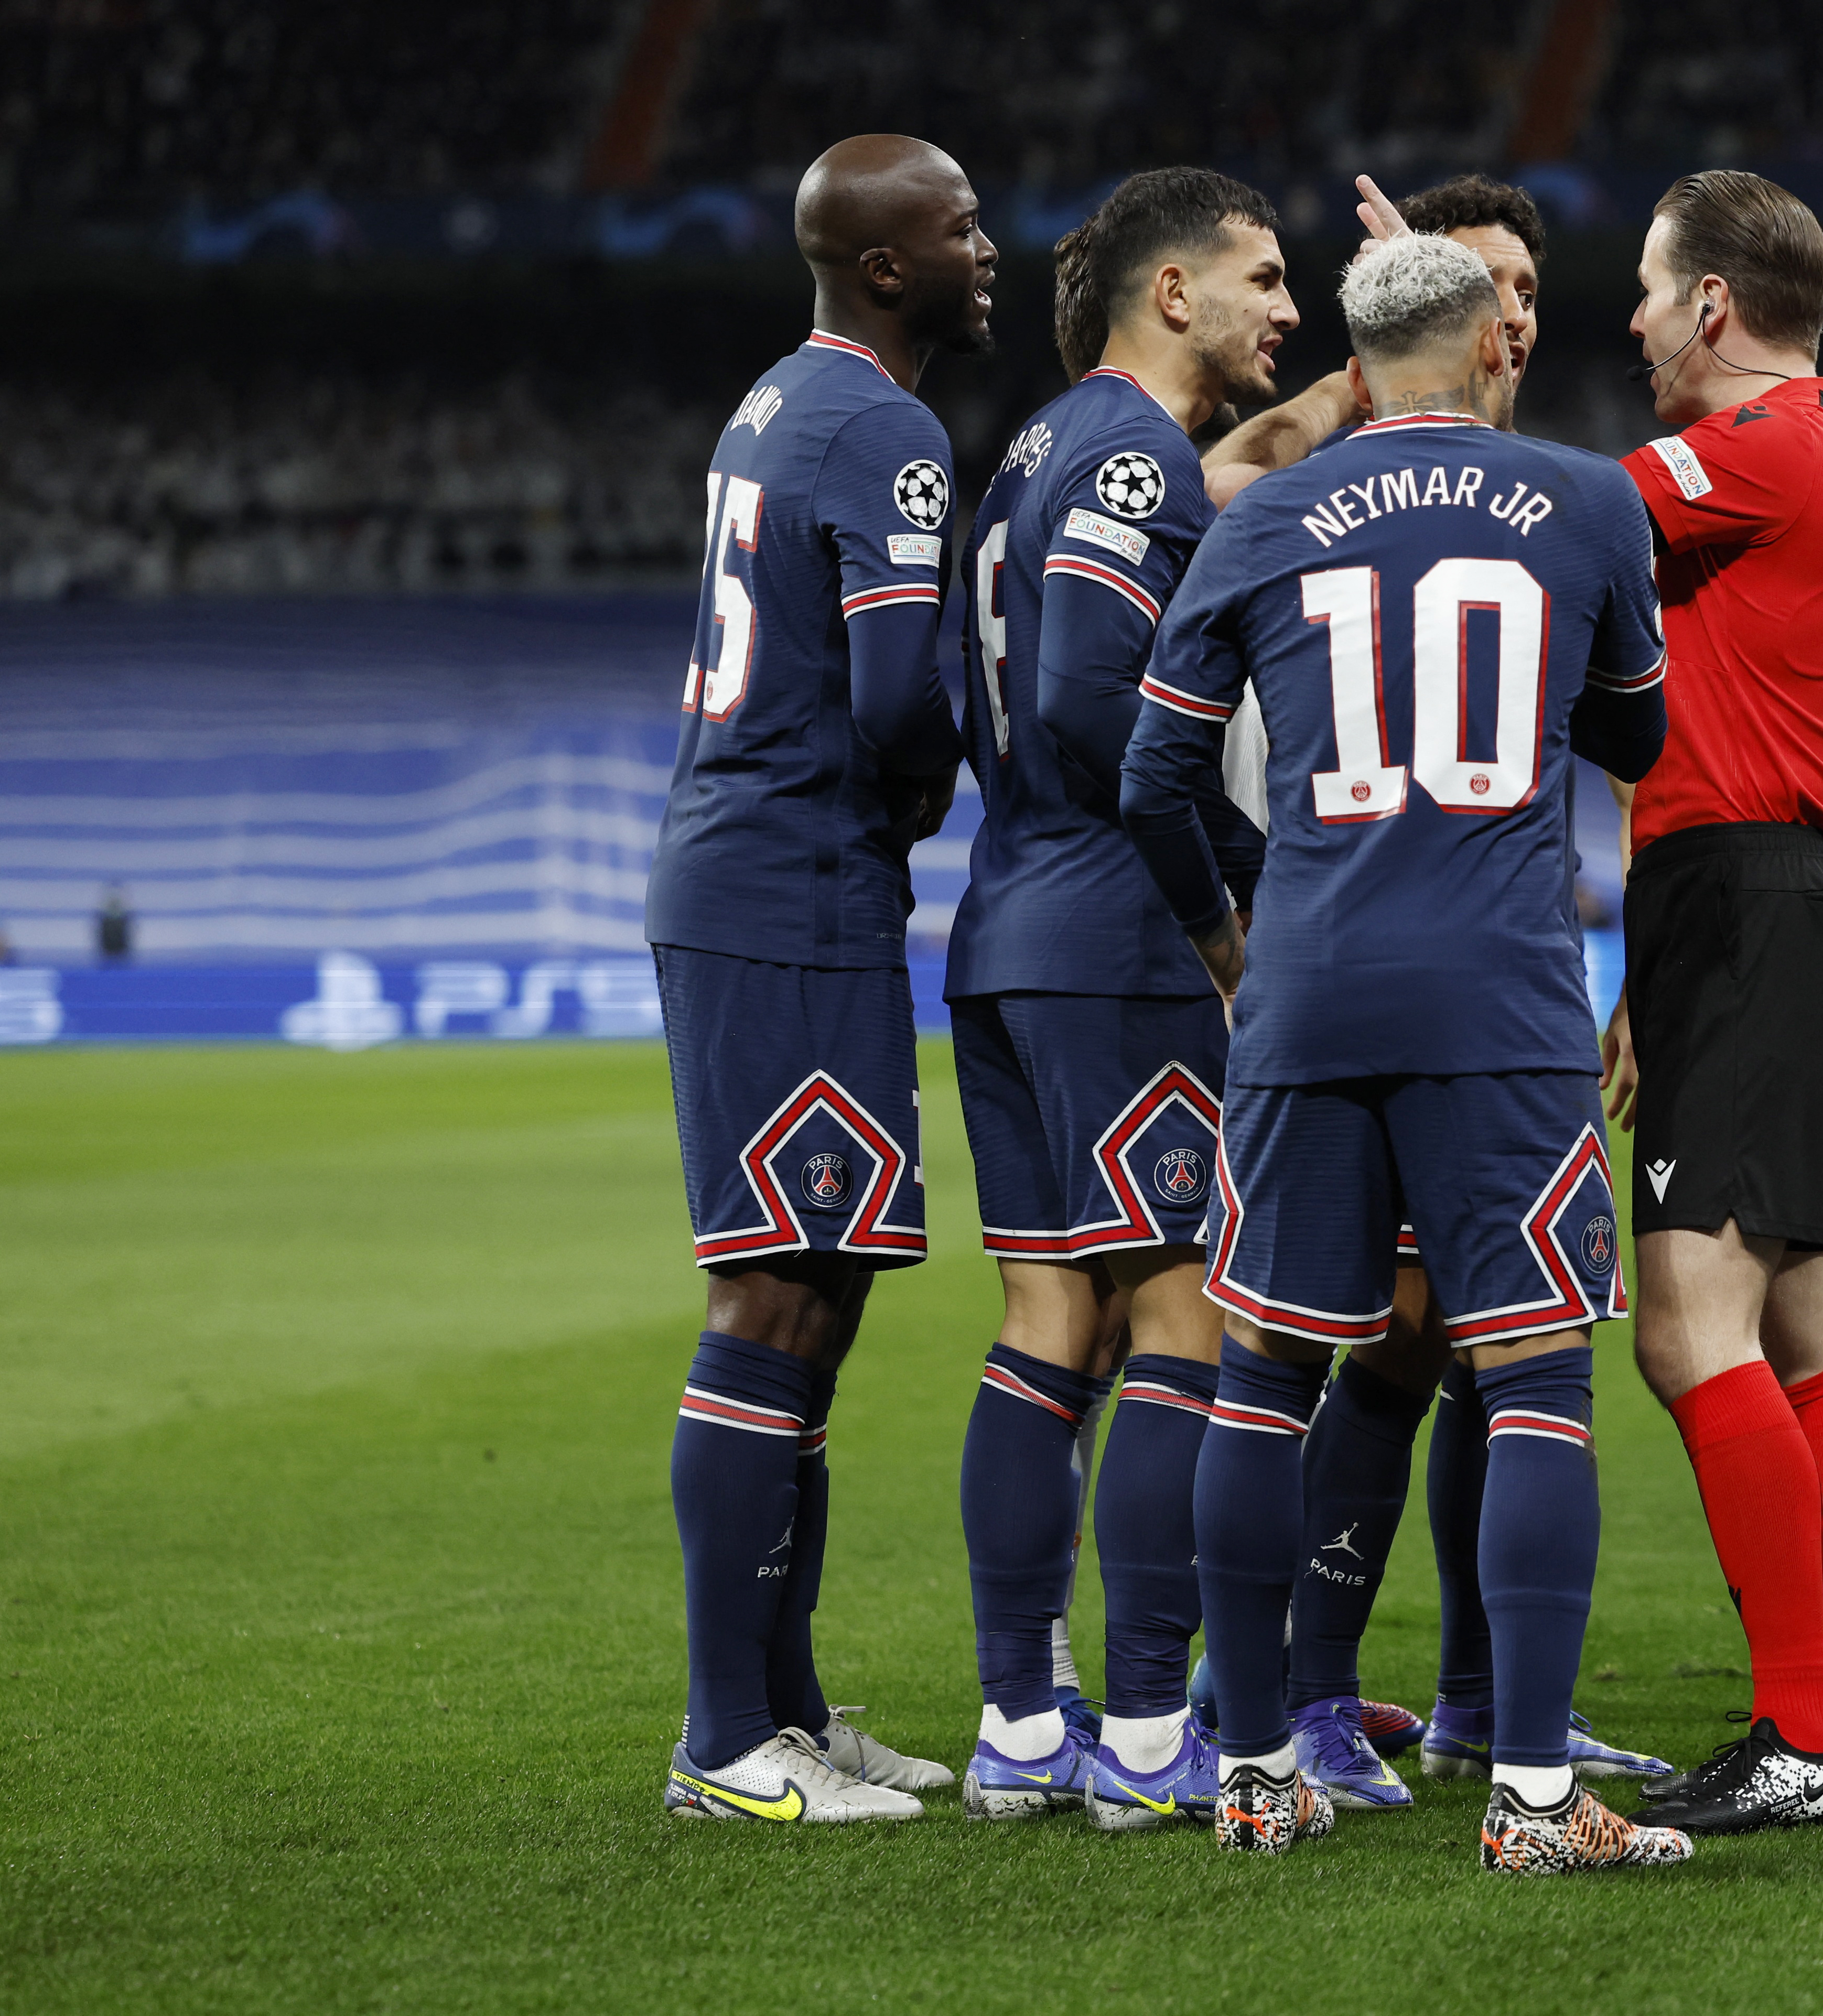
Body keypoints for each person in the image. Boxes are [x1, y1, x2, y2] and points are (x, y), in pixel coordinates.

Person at [1118, 230, 1690, 1872]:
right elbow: (1638, 732)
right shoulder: (1587, 500)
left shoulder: (1262, 517)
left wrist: (1233, 945)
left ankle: (1249, 1777)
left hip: (1307, 994)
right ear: (1492, 344)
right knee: (1534, 1375)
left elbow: (1153, 777)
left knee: (1265, 1376)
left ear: (1357, 369)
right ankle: (1530, 1798)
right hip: (1499, 1003)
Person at [646, 133, 994, 1824]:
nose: (987, 249)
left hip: (776, 881)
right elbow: (894, 699)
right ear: (884, 265)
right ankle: (725, 1740)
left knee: (823, 1292)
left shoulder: (778, 402)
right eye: (958, 227)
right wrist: (940, 778)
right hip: (783, 891)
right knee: (776, 1295)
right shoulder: (885, 427)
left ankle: (783, 1706)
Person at [944, 167, 1290, 1830]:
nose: (1284, 306)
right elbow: (1095, 705)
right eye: (1262, 277)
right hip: (1117, 939)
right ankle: (1151, 1731)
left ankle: (1021, 1724)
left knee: (1048, 1324)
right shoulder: (1135, 457)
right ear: (1172, 291)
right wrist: (1229, 888)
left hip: (1007, 920)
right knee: (1182, 1316)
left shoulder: (1030, 452)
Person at [1594, 170, 1823, 1838]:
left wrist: (1421, 379)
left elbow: (1562, 519)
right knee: (1795, 1334)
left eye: (1649, 291)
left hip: (1745, 908)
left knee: (1684, 1329)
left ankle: (1800, 1731)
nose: (1632, 321)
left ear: (1712, 303)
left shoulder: (1767, 447)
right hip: (1754, 905)